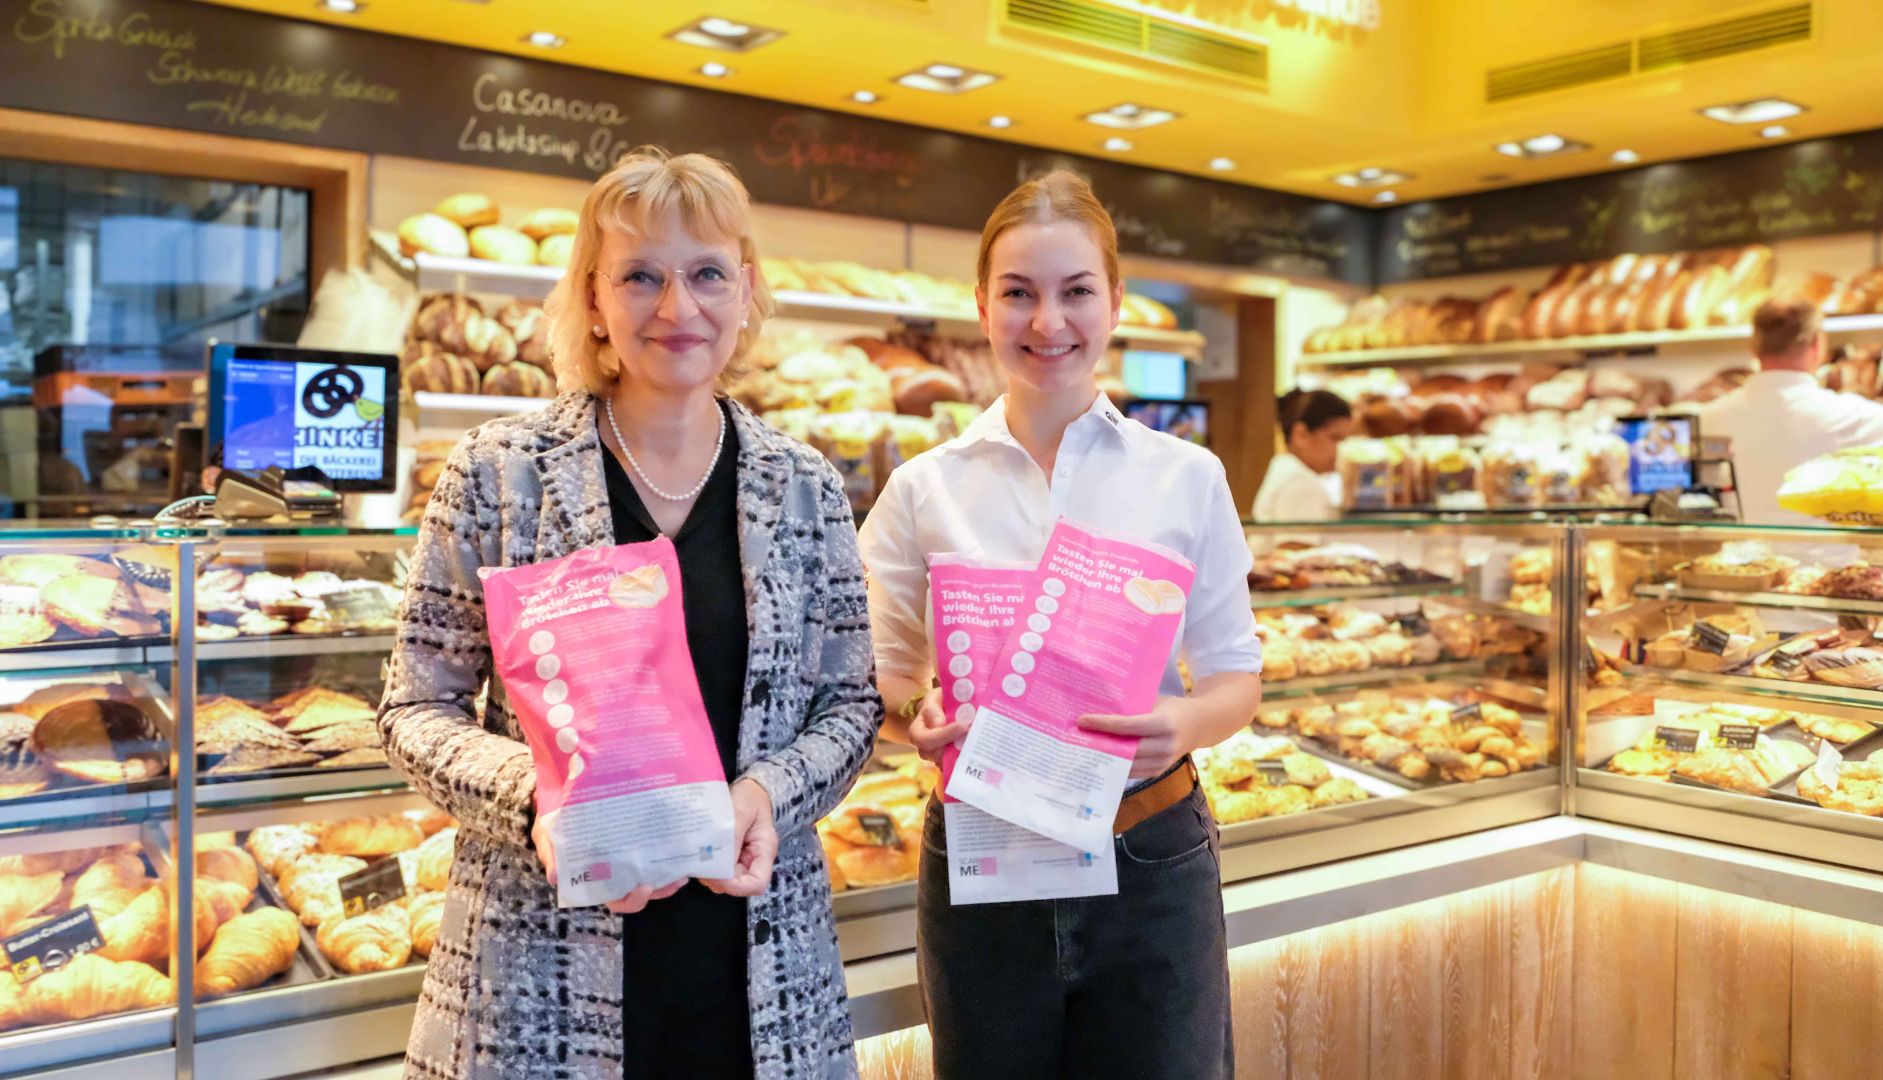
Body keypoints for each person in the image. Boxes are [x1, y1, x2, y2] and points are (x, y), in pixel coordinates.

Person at [379, 148, 881, 1080]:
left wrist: (764, 798)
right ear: (595, 297)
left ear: (745, 291)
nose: (676, 308)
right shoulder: (501, 472)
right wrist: (541, 801)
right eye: (641, 276)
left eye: (705, 275)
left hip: (758, 967)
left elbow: (850, 705)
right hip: (540, 967)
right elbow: (415, 707)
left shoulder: (805, 485)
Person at [859, 170, 1262, 1080]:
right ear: (982, 304)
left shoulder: (1185, 476)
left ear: (1116, 301)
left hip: (1150, 854)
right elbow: (883, 675)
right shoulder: (924, 488)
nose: (1049, 323)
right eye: (1019, 294)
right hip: (983, 858)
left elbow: (1237, 676)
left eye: (1077, 291)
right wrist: (912, 715)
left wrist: (1182, 727)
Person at [1701, 297, 1883, 525]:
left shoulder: (1707, 418)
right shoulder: (1846, 414)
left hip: (1734, 557)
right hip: (1830, 559)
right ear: (1817, 345)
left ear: (1753, 346)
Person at [1250, 388, 1353, 521]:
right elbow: (1294, 542)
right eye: (1334, 438)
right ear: (1301, 435)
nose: (1341, 449)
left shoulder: (1290, 472)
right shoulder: (1299, 482)